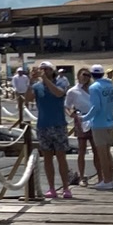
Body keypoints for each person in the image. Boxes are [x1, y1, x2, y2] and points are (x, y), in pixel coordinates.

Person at [29, 62, 74, 199]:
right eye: (42, 69)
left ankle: (66, 187)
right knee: (47, 158)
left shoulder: (60, 82)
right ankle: (51, 188)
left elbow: (59, 93)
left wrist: (45, 79)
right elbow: (27, 98)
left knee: (61, 157)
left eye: (46, 69)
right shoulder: (37, 86)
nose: (44, 71)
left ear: (52, 71)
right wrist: (31, 81)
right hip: (43, 125)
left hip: (58, 125)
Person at [84, 66, 113, 190]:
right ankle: (111, 179)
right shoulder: (110, 85)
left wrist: (84, 118)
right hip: (110, 121)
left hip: (99, 123)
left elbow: (96, 107)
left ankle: (107, 180)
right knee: (108, 153)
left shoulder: (94, 87)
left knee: (102, 154)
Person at [66, 69, 93, 184]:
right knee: (82, 149)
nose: (86, 77)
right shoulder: (73, 91)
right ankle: (81, 176)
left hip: (94, 119)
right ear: (78, 76)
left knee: (96, 149)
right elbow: (67, 106)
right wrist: (71, 114)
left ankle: (101, 177)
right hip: (81, 119)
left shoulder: (93, 89)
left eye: (88, 75)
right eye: (84, 75)